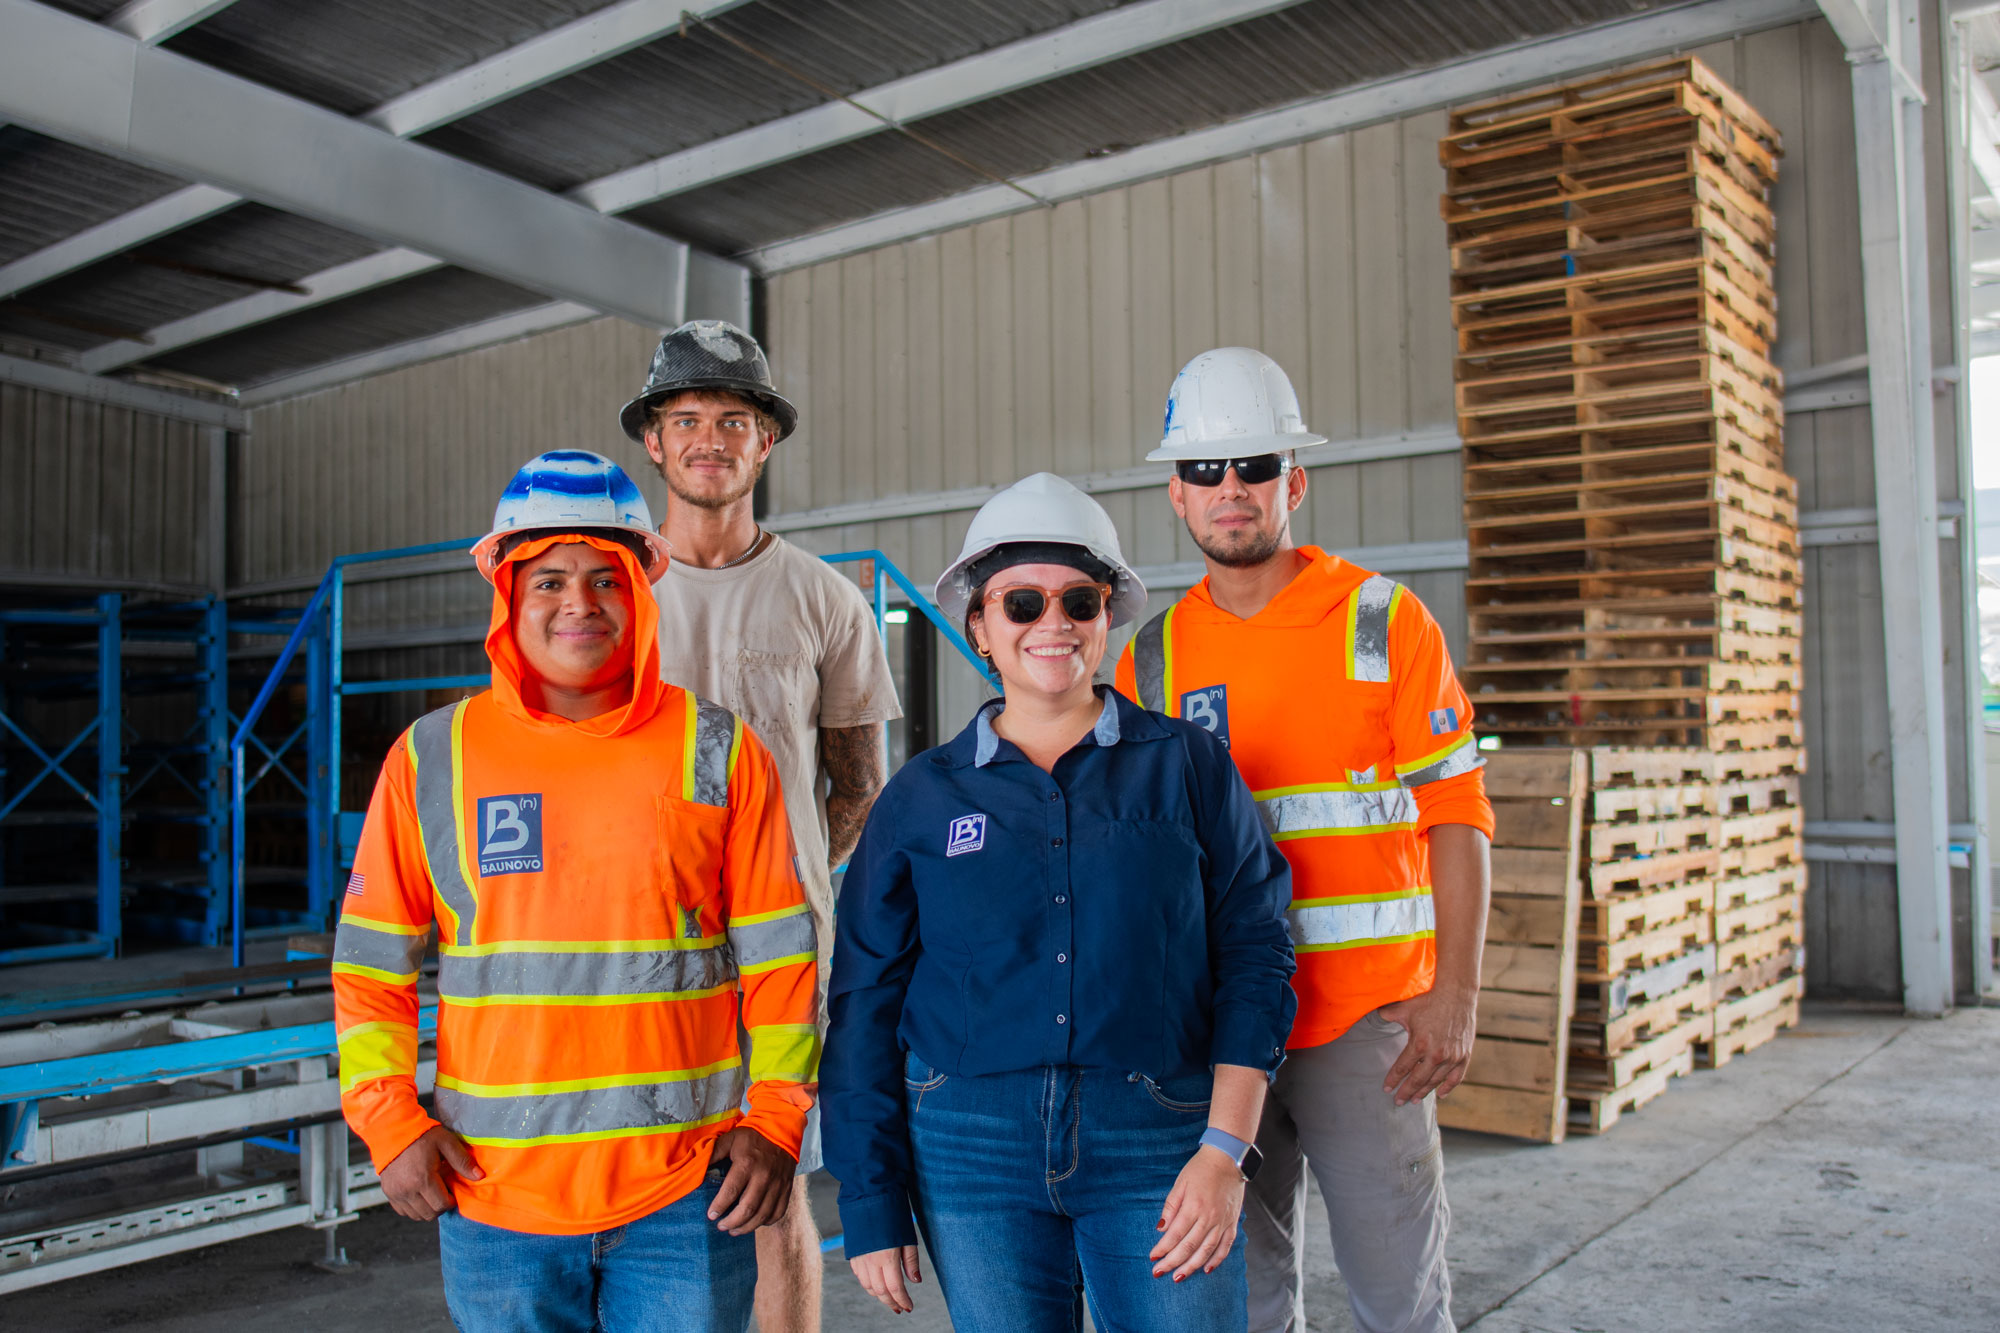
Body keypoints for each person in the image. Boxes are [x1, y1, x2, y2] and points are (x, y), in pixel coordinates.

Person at [331, 450, 819, 1333]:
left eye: (606, 578)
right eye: (549, 579)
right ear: (507, 594)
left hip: (686, 1197)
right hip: (494, 1198)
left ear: (642, 590)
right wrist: (388, 1120)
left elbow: (782, 960)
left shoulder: (718, 749)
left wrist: (778, 1117)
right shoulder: (432, 758)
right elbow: (369, 967)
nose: (579, 603)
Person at [822, 472, 1298, 1333]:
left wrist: (1226, 1151)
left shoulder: (1188, 766)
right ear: (979, 625)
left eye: (1080, 600)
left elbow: (1256, 952)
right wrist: (870, 1197)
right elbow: (864, 1001)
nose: (1054, 623)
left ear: (1107, 616)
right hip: (969, 1144)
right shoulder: (921, 798)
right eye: (1021, 603)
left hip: (1159, 1135)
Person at [1115, 348, 1495, 1333]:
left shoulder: (1382, 622)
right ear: (1176, 492)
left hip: (1366, 1024)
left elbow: (1458, 813)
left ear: (1293, 480)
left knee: (1399, 1302)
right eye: (1205, 469)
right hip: (1223, 1031)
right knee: (1241, 1304)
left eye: (1253, 465)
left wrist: (1454, 994)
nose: (1229, 488)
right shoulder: (1152, 658)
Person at [621, 319, 901, 1333]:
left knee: (773, 1191)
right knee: (632, 1187)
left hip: (772, 964)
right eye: (687, 419)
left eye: (732, 420)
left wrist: (773, 886)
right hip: (625, 949)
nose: (710, 439)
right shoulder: (613, 595)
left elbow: (857, 787)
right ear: (653, 442)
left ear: (765, 441)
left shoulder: (824, 601)